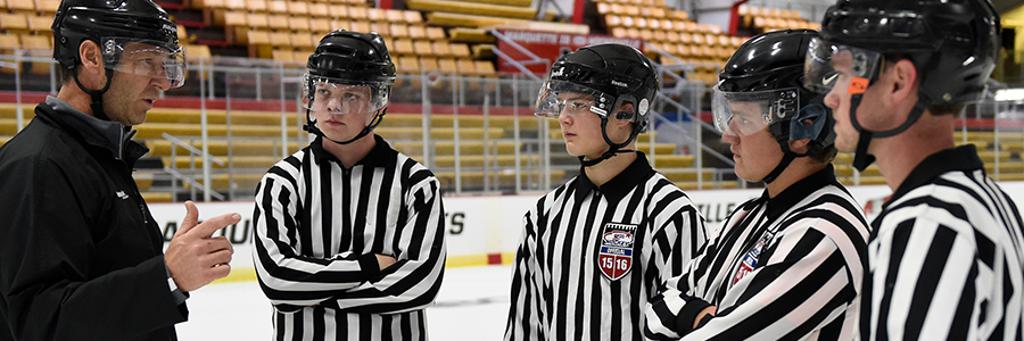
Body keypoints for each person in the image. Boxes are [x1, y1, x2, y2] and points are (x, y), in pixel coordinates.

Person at [0, 0, 241, 340]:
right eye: (147, 62)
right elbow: (40, 320)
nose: (164, 82)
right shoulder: (38, 166)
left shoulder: (101, 155)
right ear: (91, 57)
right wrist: (168, 277)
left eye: (166, 64)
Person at [804, 0, 1024, 338]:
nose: (832, 96)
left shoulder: (927, 222)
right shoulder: (986, 200)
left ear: (898, 82)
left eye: (846, 74)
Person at [642, 29, 871, 340]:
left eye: (745, 120)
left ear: (804, 127)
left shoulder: (826, 234)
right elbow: (656, 308)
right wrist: (700, 315)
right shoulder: (746, 216)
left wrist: (693, 316)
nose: (727, 135)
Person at [504, 43, 707, 340]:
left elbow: (689, 328)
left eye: (579, 104)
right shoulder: (543, 215)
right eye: (562, 104)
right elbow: (526, 326)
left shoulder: (671, 214)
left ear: (624, 113)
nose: (563, 117)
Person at [252, 30, 446, 340]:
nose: (333, 106)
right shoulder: (282, 181)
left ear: (379, 102)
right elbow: (276, 280)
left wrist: (317, 297)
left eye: (351, 96)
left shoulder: (416, 183)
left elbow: (420, 285)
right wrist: (369, 265)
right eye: (324, 92)